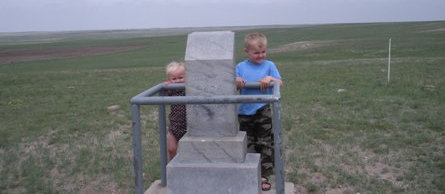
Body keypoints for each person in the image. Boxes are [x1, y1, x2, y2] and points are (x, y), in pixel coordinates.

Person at [235, 32, 283, 191]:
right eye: (256, 52)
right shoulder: (240, 67)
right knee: (247, 143)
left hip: (262, 110)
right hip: (243, 111)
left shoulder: (269, 65)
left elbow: (280, 83)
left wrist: (270, 79)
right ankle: (248, 173)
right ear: (246, 51)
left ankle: (264, 175)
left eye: (263, 52)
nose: (260, 55)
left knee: (264, 143)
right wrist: (236, 80)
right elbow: (231, 82)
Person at [164, 61, 186, 161]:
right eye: (174, 79)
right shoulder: (171, 90)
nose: (177, 81)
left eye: (181, 77)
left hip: (189, 126)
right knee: (171, 149)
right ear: (169, 80)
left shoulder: (188, 89)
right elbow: (163, 98)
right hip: (175, 126)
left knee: (189, 150)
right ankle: (172, 167)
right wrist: (165, 86)